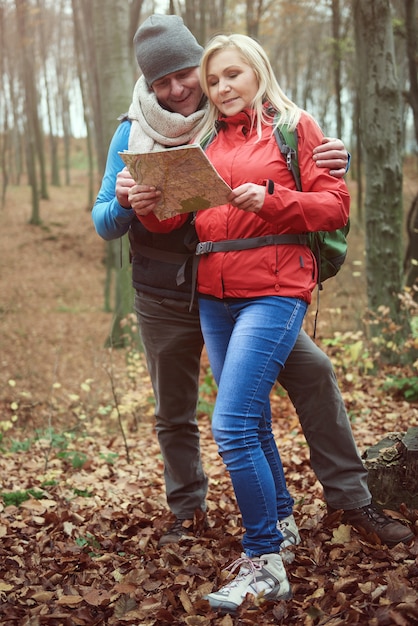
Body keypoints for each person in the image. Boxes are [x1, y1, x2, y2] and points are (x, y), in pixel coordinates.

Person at [92, 14, 414, 555]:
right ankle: (188, 515)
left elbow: (293, 159)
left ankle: (351, 499)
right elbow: (104, 221)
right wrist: (127, 203)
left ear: (204, 66)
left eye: (185, 74)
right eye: (160, 82)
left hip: (244, 288)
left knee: (313, 375)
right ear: (148, 87)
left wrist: (336, 157)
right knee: (176, 412)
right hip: (167, 297)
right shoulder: (133, 130)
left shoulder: (226, 117)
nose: (177, 89)